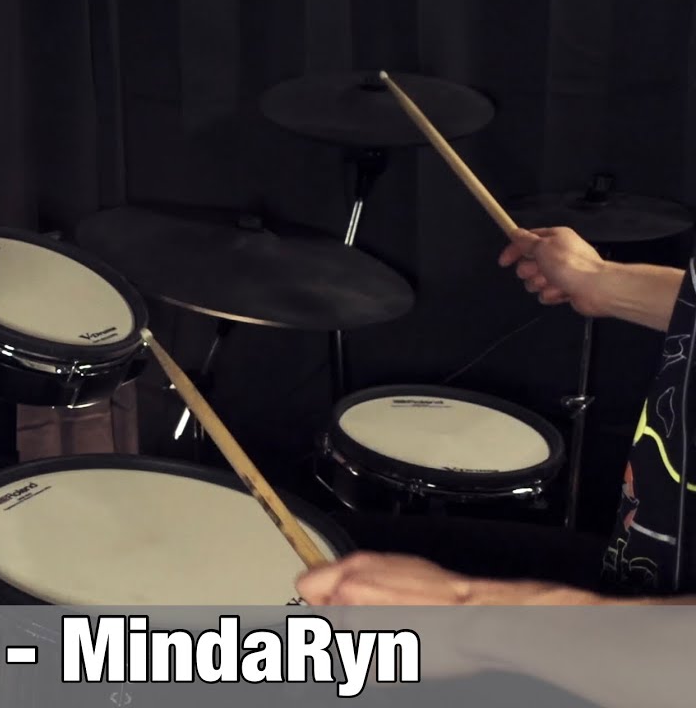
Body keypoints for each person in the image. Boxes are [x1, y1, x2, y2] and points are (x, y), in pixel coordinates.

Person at [298, 225, 696, 606]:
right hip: (640, 564)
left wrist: (469, 607)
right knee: (338, 540)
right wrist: (599, 279)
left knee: (339, 568)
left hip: (651, 637)